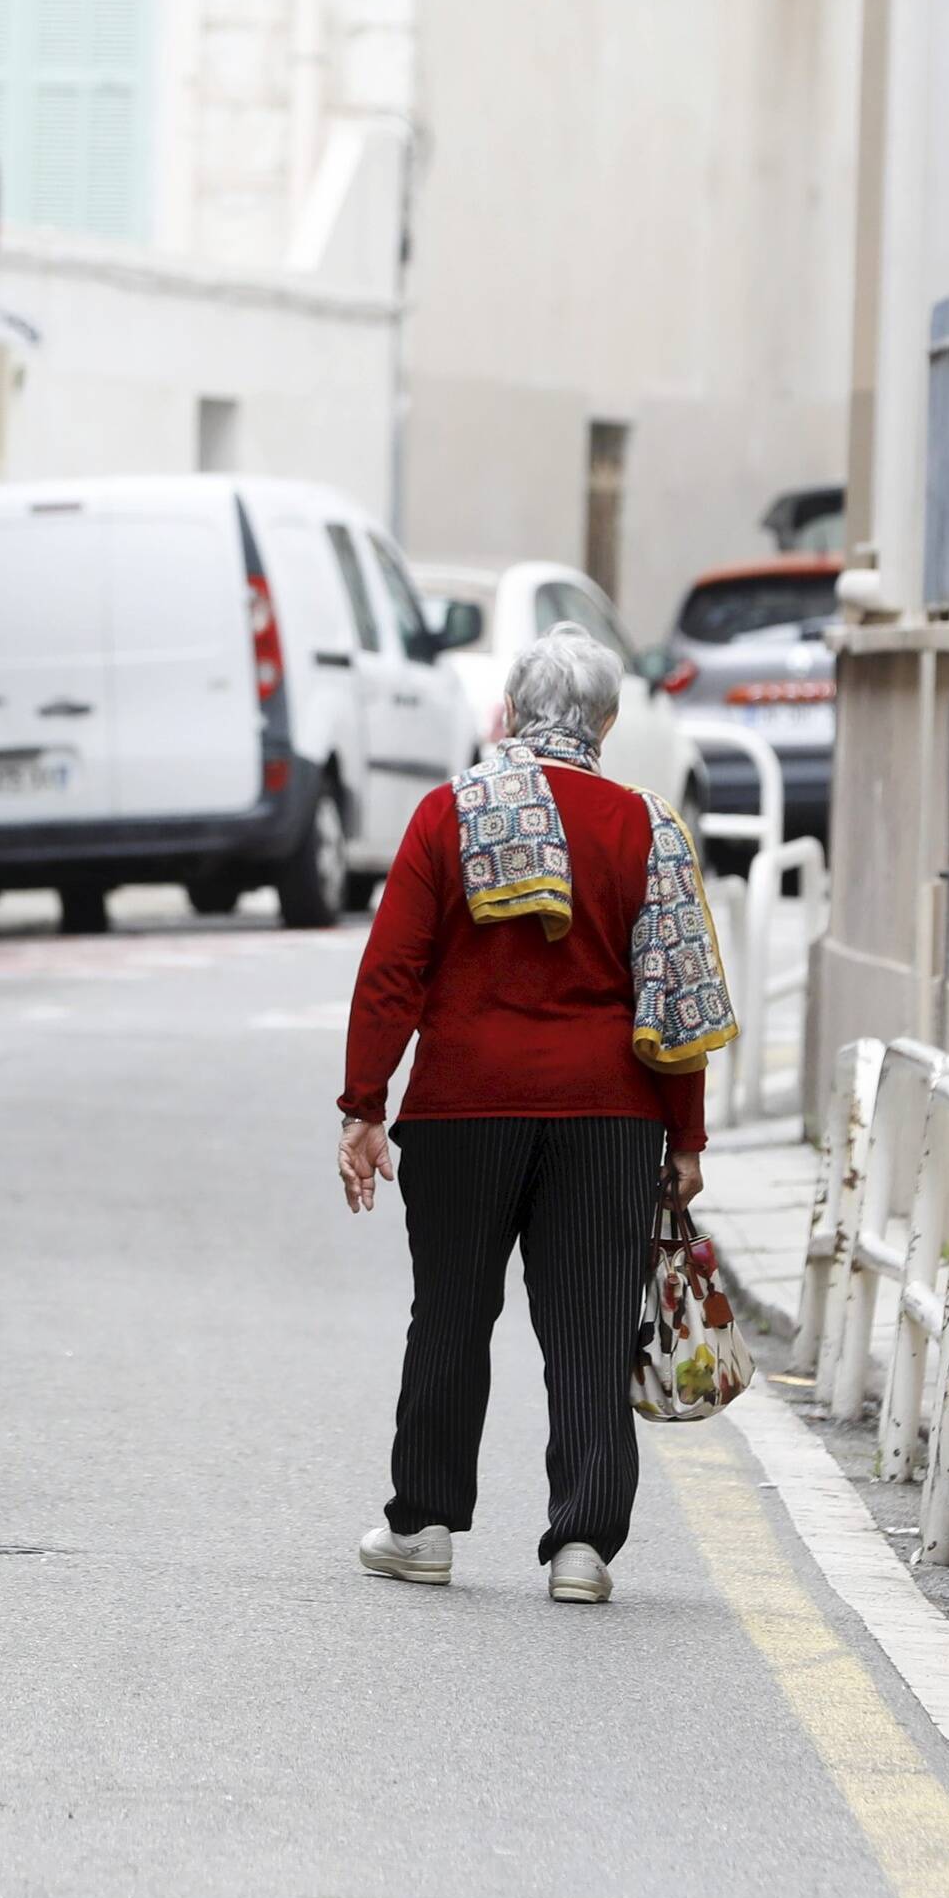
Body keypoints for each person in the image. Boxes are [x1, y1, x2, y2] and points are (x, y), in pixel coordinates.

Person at [336, 623, 712, 1604]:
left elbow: (390, 976)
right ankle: (582, 1545)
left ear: (506, 713)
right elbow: (672, 993)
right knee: (589, 1327)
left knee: (451, 1314)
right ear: (607, 720)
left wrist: (362, 1107)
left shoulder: (446, 815)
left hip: (463, 1109)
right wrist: (686, 1135)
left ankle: (420, 1525)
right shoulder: (647, 828)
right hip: (610, 1118)